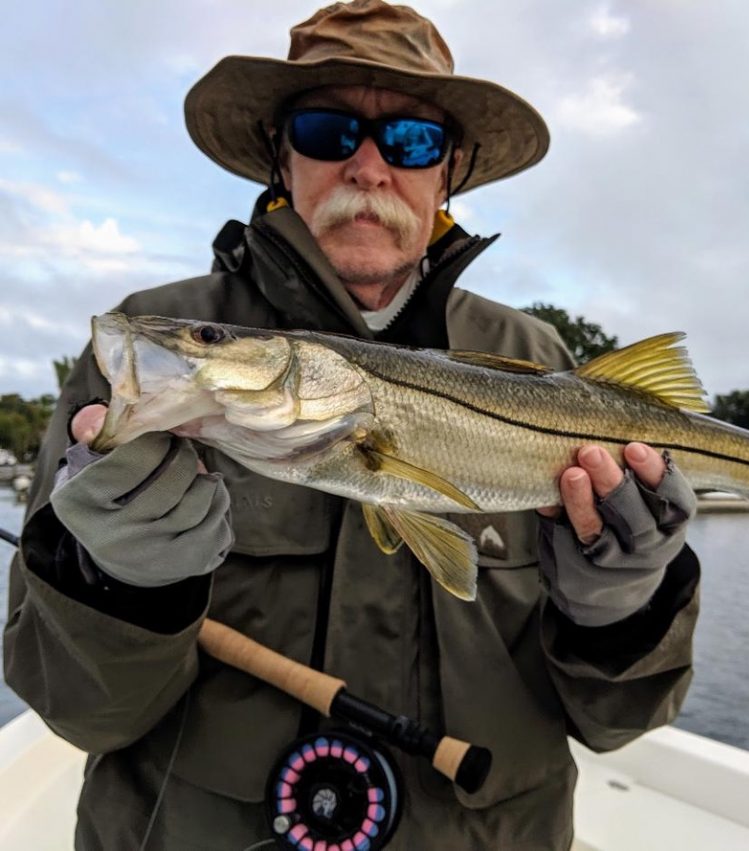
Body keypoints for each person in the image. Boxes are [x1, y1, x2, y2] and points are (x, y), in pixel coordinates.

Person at [3, 2, 701, 848]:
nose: (368, 167)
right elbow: (80, 711)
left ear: (448, 172)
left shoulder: (538, 357)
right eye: (327, 130)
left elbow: (618, 723)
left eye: (412, 140)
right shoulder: (149, 356)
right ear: (282, 156)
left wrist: (623, 610)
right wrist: (115, 588)